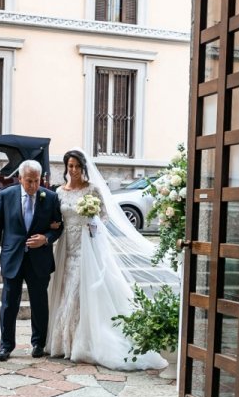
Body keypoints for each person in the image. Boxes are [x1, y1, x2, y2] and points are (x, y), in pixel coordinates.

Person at [45, 149, 181, 370]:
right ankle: (61, 342)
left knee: (79, 289)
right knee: (63, 288)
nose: (73, 170)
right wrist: (53, 225)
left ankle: (80, 343)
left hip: (87, 248)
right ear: (65, 168)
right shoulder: (59, 192)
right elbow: (55, 218)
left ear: (83, 167)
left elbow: (105, 217)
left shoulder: (93, 189)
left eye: (77, 166)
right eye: (70, 166)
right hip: (66, 246)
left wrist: (92, 220)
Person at [0, 159, 63, 361]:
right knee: (9, 303)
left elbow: (59, 227)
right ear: (20, 179)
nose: (33, 186)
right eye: (29, 181)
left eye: (37, 181)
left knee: (39, 303)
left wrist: (46, 238)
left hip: (39, 260)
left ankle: (38, 343)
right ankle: (6, 346)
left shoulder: (51, 198)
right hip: (13, 257)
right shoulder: (5, 196)